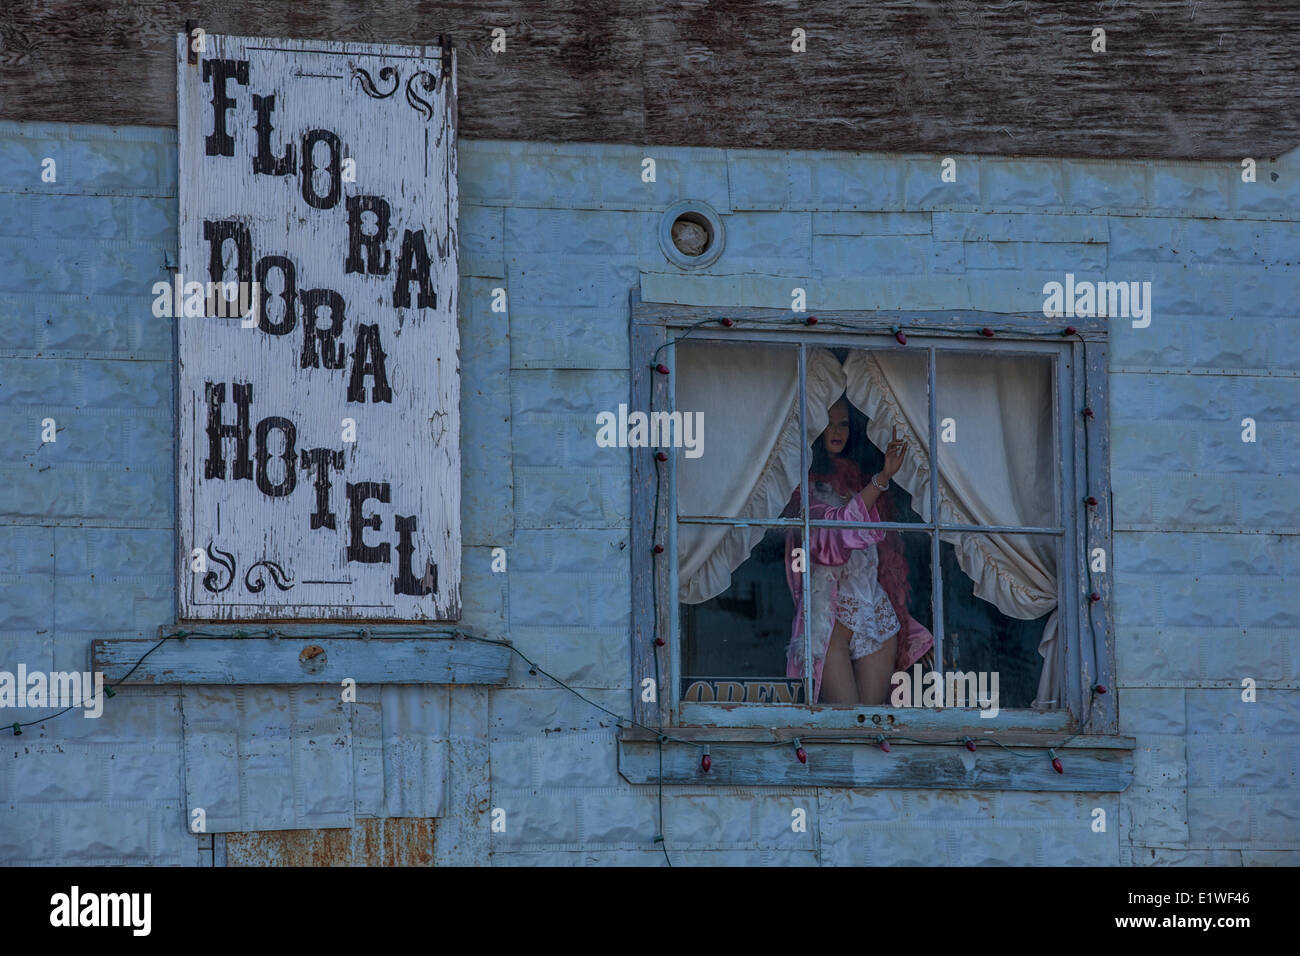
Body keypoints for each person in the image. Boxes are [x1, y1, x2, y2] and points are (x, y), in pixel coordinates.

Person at [782, 396, 934, 704]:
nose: (837, 431)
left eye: (844, 424)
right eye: (828, 423)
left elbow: (884, 554)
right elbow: (835, 533)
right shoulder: (803, 489)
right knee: (846, 726)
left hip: (876, 613)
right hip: (832, 617)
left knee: (872, 726)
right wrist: (883, 478)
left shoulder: (858, 482)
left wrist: (877, 481)